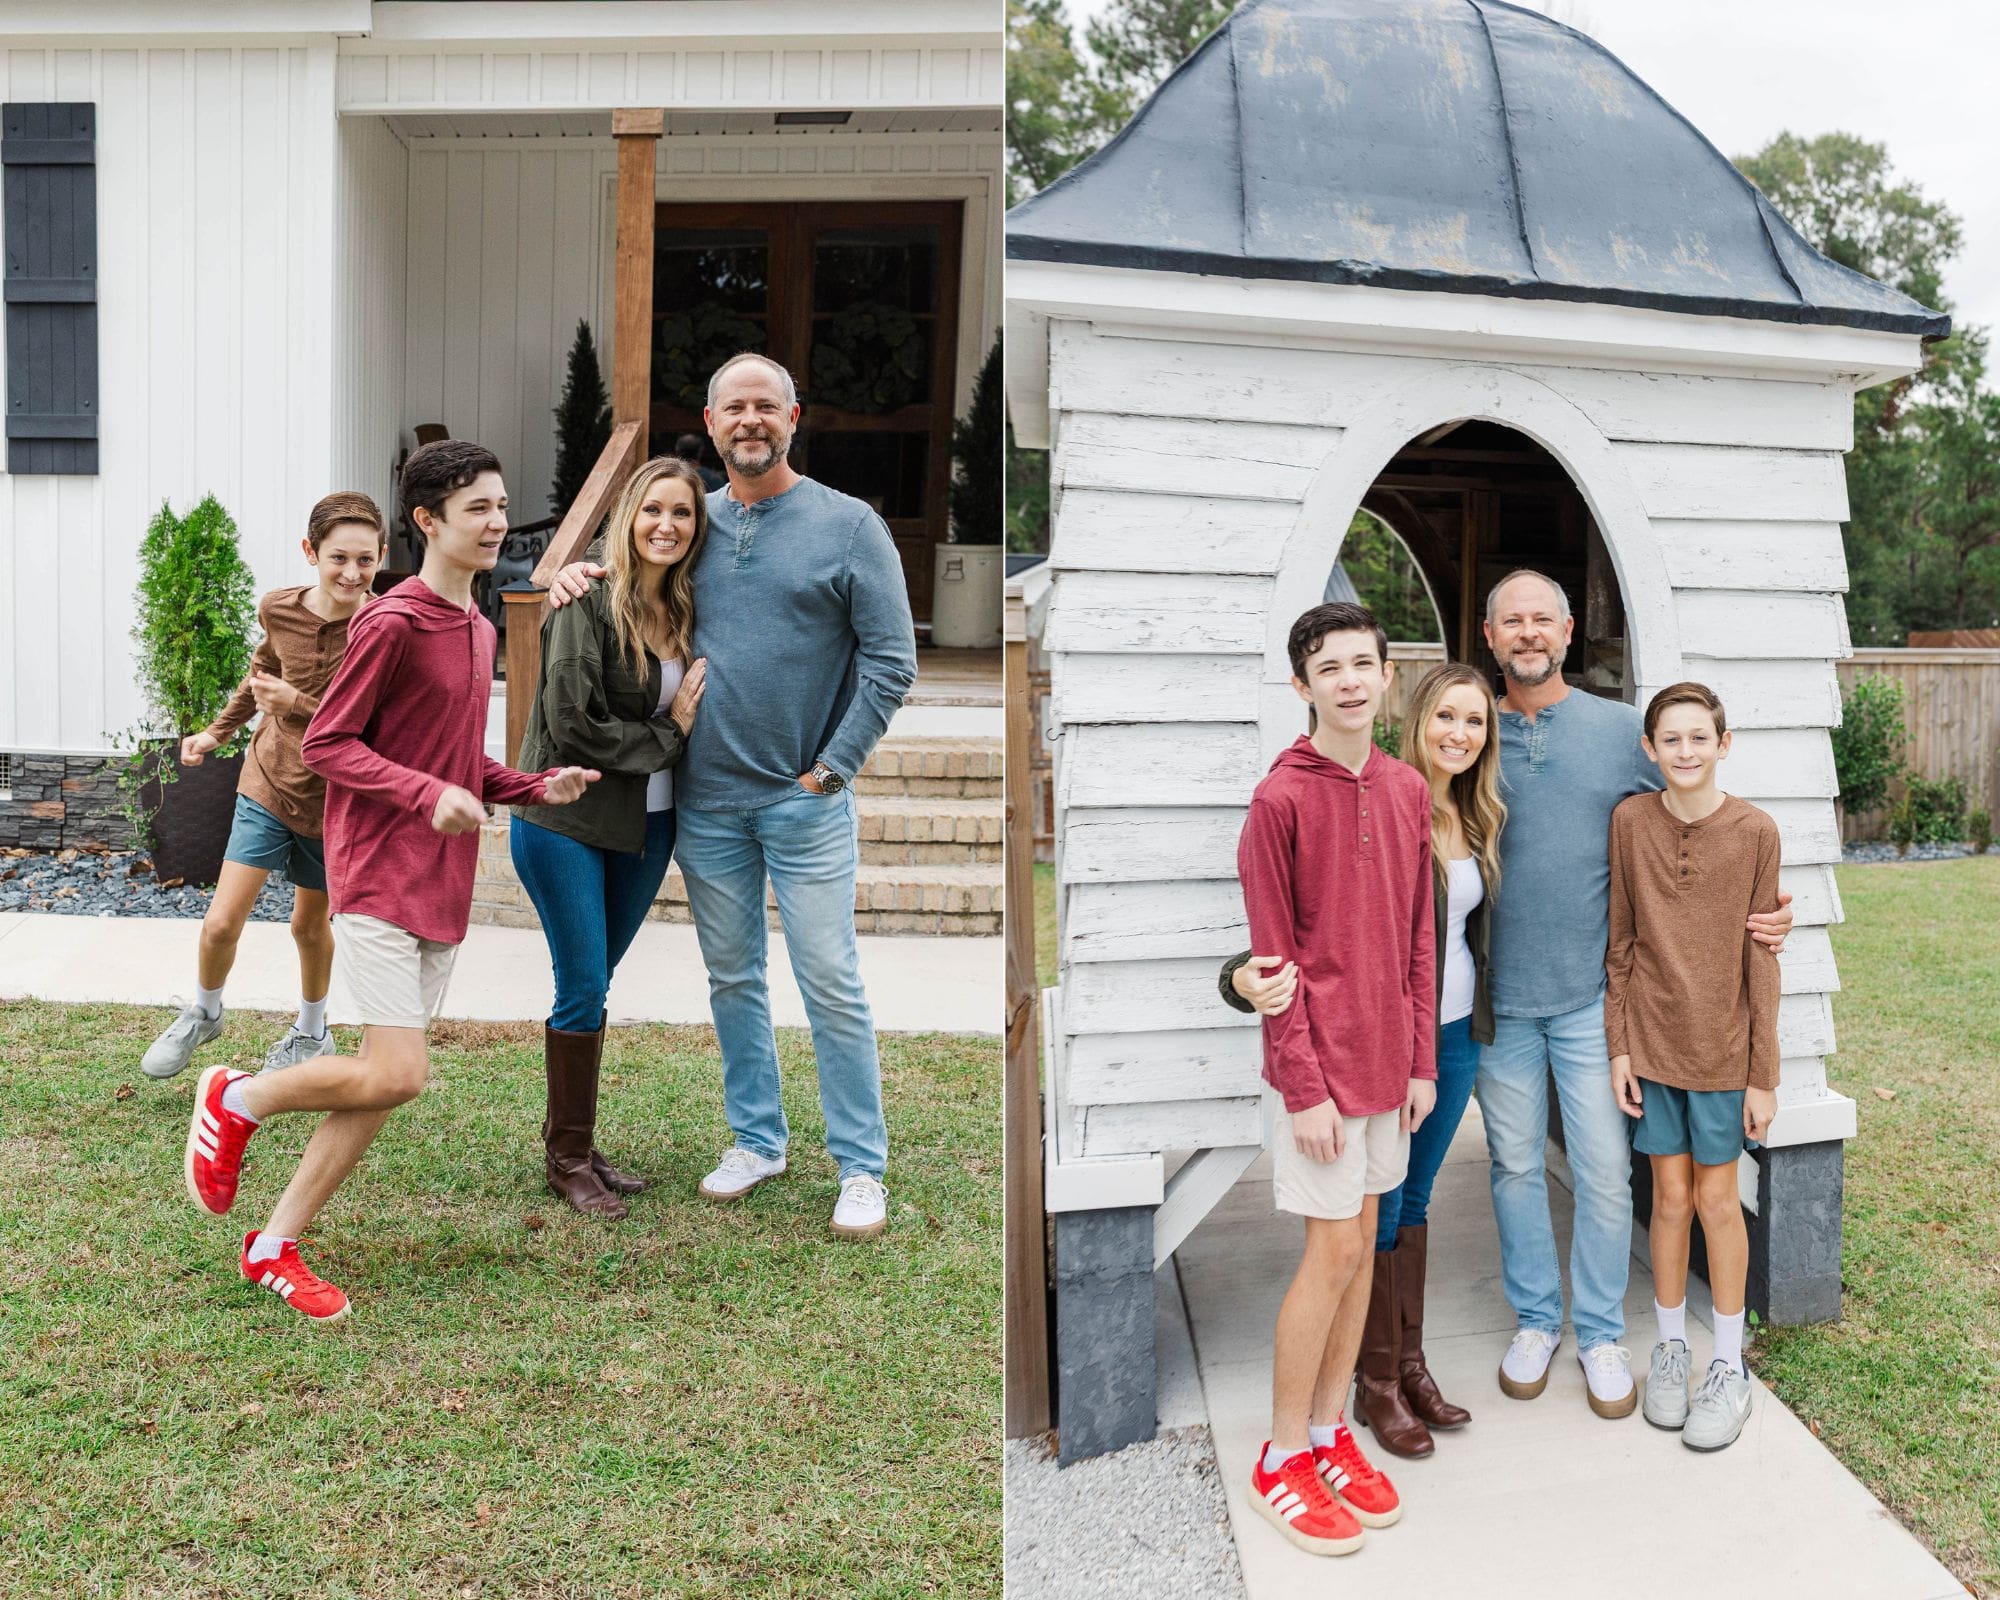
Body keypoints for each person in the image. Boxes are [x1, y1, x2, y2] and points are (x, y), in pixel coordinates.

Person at [181, 440, 597, 1321]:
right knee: (400, 1072)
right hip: (374, 870)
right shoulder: (393, 620)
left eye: (500, 505)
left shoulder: (480, 626)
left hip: (439, 881)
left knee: (378, 1076)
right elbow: (330, 742)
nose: (496, 523)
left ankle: (272, 1245)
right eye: (478, 508)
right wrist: (425, 794)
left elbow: (453, 758)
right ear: (428, 521)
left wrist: (530, 786)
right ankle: (237, 1096)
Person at [549, 353, 916, 1241]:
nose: (750, 420)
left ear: (795, 417)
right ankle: (758, 1140)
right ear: (711, 425)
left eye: (766, 406)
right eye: (732, 409)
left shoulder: (850, 525)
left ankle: (860, 1166)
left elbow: (891, 661)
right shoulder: (691, 521)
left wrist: (833, 768)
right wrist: (575, 579)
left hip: (804, 802)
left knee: (830, 981)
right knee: (734, 980)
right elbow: (631, 576)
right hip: (705, 806)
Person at [1474, 570, 1791, 1420]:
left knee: (1610, 1174)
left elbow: (1696, 829)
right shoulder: (1465, 730)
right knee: (1511, 1166)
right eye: (1513, 621)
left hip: (1594, 1002)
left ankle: (1604, 1333)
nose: (1529, 633)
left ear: (1570, 630)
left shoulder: (1624, 733)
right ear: (1489, 632)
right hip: (1496, 998)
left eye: (1543, 619)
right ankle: (1538, 1321)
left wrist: (1760, 921)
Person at [1223, 659, 1503, 1459]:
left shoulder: (1465, 814)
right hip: (1346, 1053)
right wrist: (1242, 983)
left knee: (1402, 1210)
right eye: (1446, 718)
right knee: (1345, 1241)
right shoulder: (1319, 793)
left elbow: (1425, 938)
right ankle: (1355, 1397)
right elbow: (1285, 940)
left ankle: (1394, 1373)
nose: (1459, 734)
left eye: (1474, 722)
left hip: (1436, 1042)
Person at [1235, 601, 1432, 1558]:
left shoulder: (1406, 790)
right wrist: (1302, 1087)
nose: (1350, 680)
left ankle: (1329, 1433)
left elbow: (1418, 942)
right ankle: (1279, 1456)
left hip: (1390, 1070)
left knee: (1362, 1246)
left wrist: (1422, 1062)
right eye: (1330, 668)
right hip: (1321, 1074)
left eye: (1365, 663)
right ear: (1302, 685)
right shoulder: (1280, 800)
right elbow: (1273, 965)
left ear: (1387, 675)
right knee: (1329, 1253)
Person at [511, 456, 709, 1219]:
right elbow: (572, 727)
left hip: (647, 826)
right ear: (627, 516)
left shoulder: (689, 609)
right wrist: (670, 735)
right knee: (583, 984)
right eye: (652, 510)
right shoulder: (586, 602)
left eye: (682, 514)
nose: (666, 524)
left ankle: (578, 1143)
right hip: (567, 822)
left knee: (592, 984)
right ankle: (566, 1159)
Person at [141, 493, 387, 1081]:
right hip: (269, 780)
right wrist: (214, 732)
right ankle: (203, 1010)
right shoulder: (278, 608)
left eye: (366, 560)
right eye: (338, 558)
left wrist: (296, 703)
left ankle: (312, 1031)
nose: (352, 573)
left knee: (308, 926)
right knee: (222, 920)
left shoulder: (384, 627)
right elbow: (261, 677)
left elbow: (374, 724)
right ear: (311, 552)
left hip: (335, 798)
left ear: (381, 557)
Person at [1608, 682, 1780, 1452]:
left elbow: (1762, 956)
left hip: (1722, 1048)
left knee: (1718, 1200)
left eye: (1697, 738)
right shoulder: (1630, 822)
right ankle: (1671, 1346)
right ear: (1650, 749)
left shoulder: (1754, 831)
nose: (1684, 752)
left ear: (1723, 743)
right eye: (1669, 740)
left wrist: (1764, 1074)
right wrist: (1619, 1045)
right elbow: (1621, 942)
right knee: (1668, 1199)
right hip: (1652, 1042)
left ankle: (1728, 1365)